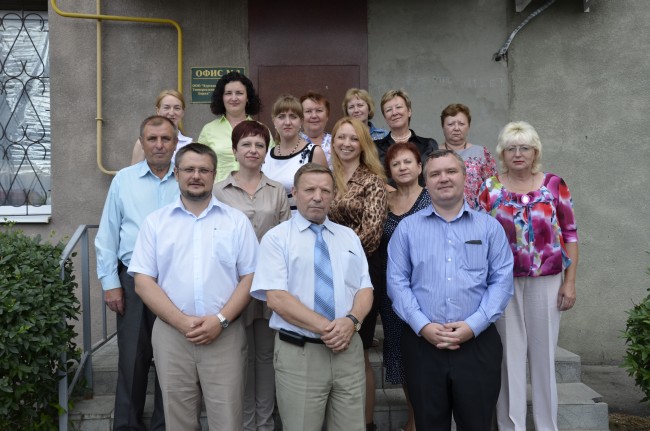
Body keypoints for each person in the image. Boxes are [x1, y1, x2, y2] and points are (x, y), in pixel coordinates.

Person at [129, 143, 259, 430]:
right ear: (176, 174)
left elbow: (250, 277)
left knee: (228, 421)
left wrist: (220, 320)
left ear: (214, 174)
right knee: (178, 422)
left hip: (224, 335)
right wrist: (181, 322)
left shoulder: (236, 222)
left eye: (204, 170)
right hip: (172, 337)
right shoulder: (155, 223)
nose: (196, 176)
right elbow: (143, 282)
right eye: (189, 169)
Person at [387, 149, 514, 431]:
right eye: (435, 174)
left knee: (477, 425)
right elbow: (397, 282)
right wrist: (423, 326)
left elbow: (502, 282)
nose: (443, 178)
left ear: (464, 176)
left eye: (451, 171)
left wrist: (473, 325)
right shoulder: (407, 229)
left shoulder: (489, 228)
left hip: (477, 344)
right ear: (426, 181)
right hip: (422, 345)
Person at [250, 163, 373, 431]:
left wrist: (351, 322)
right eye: (309, 190)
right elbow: (276, 298)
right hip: (300, 354)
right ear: (295, 192)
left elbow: (365, 289)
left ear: (333, 195)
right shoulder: (276, 239)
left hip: (347, 351)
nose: (318, 197)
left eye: (325, 191)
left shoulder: (348, 237)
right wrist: (331, 329)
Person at [477, 121, 579, 431]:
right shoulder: (490, 188)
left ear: (535, 152)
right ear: (502, 154)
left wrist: (570, 282)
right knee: (509, 359)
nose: (518, 154)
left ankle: (547, 426)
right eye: (511, 148)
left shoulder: (554, 185)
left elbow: (570, 235)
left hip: (547, 281)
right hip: (502, 284)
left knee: (543, 357)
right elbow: (480, 237)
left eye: (524, 148)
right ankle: (512, 426)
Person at [95, 115, 179, 431]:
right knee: (132, 358)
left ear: (175, 143)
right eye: (152, 139)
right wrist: (110, 283)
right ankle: (127, 425)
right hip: (132, 280)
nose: (159, 145)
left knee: (173, 361)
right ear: (141, 143)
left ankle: (165, 425)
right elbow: (107, 234)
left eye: (166, 139)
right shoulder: (124, 180)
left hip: (176, 283)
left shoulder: (187, 177)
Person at [214, 120, 291, 431]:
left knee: (266, 356)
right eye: (246, 144)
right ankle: (246, 424)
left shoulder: (277, 190)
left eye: (259, 144)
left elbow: (287, 237)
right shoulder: (218, 191)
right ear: (234, 150)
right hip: (233, 287)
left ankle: (265, 422)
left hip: (270, 285)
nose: (253, 150)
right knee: (239, 358)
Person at [327, 117, 387, 431]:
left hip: (361, 270)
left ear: (363, 143)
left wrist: (338, 258)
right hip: (324, 271)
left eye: (354, 138)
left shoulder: (372, 180)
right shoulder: (326, 177)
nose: (347, 143)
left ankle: (366, 423)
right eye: (341, 137)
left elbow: (372, 233)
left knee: (358, 350)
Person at [370, 142, 431, 431]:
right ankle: (414, 418)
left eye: (408, 162)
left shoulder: (432, 198)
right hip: (392, 293)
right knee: (401, 354)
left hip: (427, 291)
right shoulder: (384, 202)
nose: (402, 167)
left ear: (420, 167)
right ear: (390, 172)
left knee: (425, 354)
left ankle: (427, 418)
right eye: (396, 164)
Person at [262, 94, 328, 213]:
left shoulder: (314, 153)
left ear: (301, 121)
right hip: (271, 221)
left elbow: (325, 192)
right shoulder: (266, 155)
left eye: (293, 117)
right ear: (274, 121)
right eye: (281, 117)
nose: (287, 122)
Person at [198, 71, 263, 182]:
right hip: (217, 190)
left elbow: (269, 165)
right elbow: (199, 163)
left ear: (247, 97)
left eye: (239, 93)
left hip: (253, 190)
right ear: (222, 98)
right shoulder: (208, 130)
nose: (234, 98)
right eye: (228, 93)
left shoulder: (261, 129)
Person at [440, 103, 497, 208]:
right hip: (441, 211)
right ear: (443, 127)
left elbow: (493, 188)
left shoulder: (481, 153)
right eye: (451, 124)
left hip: (476, 213)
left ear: (468, 126)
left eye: (461, 124)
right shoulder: (433, 153)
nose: (456, 128)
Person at [373, 89, 438, 167]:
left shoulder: (428, 145)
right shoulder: (375, 147)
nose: (394, 113)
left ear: (409, 111)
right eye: (389, 110)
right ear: (385, 118)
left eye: (398, 107)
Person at [131, 89, 192, 165]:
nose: (171, 113)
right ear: (158, 110)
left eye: (177, 108)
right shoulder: (143, 143)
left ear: (183, 112)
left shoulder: (189, 145)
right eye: (166, 107)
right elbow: (135, 171)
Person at [300, 91, 332, 166]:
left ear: (327, 115)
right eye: (308, 111)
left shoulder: (336, 142)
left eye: (319, 110)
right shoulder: (293, 143)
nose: (314, 116)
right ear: (300, 116)